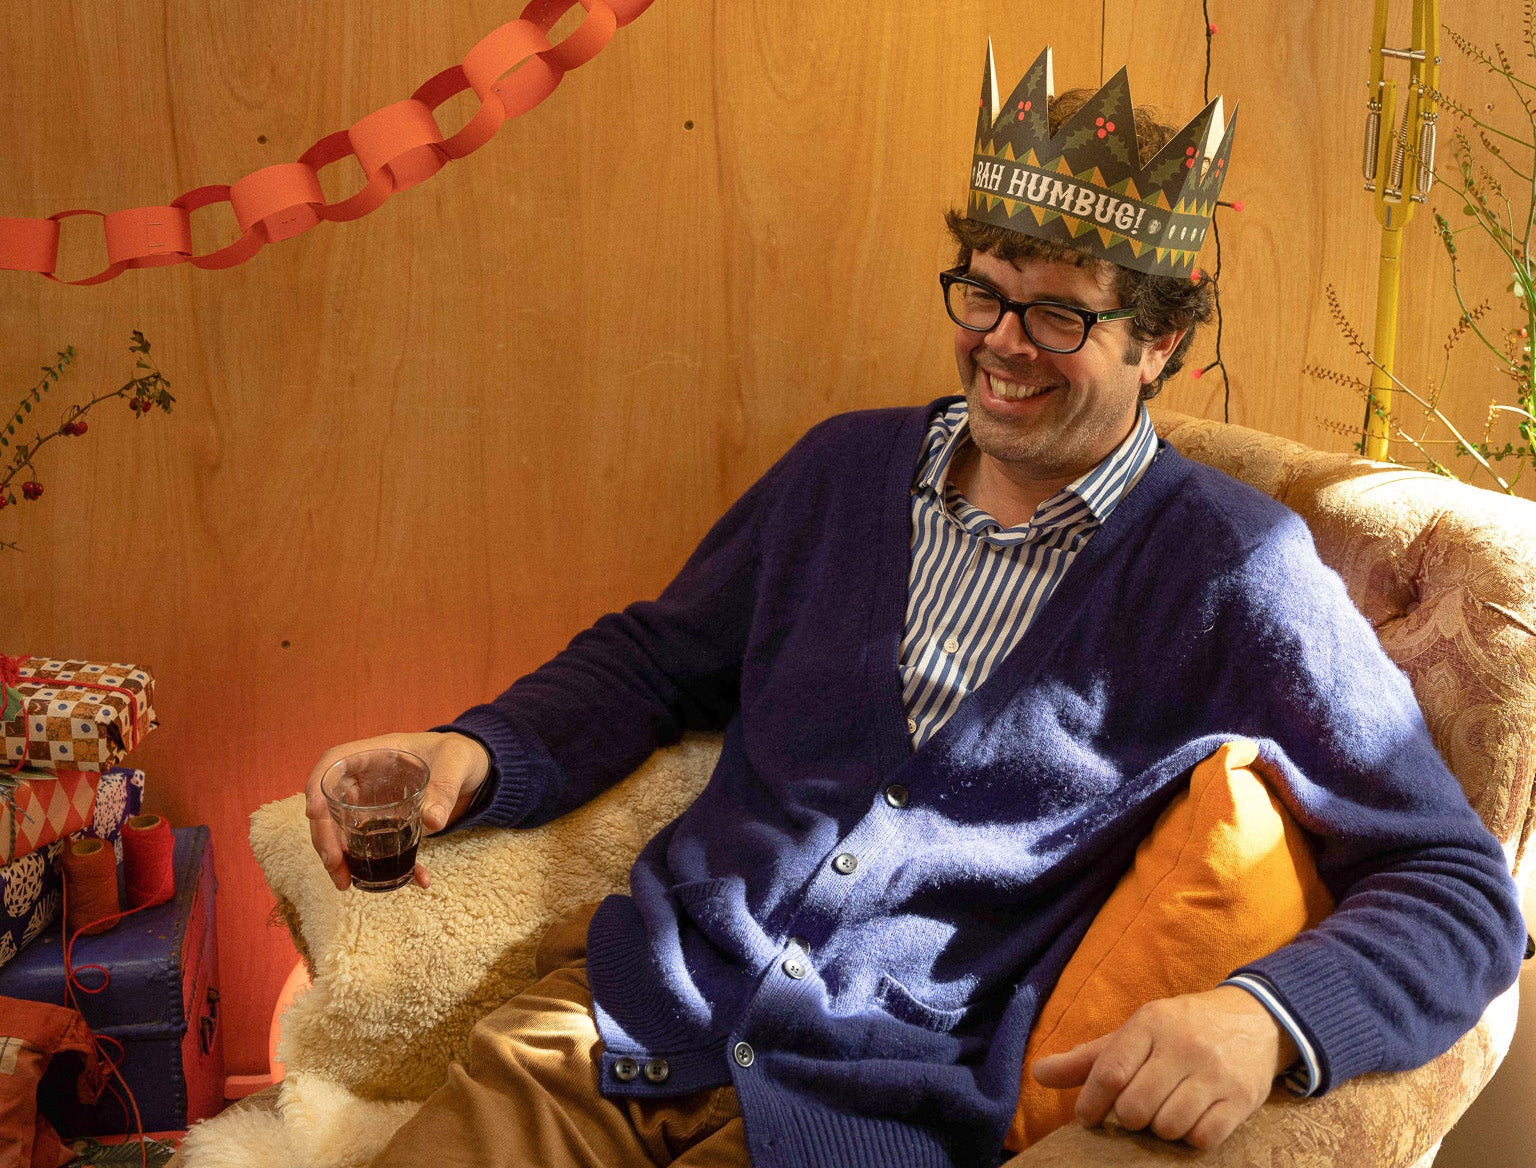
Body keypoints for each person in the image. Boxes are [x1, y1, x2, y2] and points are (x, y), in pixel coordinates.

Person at [304, 47, 1526, 1168]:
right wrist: (469, 752)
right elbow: (658, 660)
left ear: (1159, 344)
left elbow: (1462, 889)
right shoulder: (841, 472)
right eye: (983, 294)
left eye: (1062, 313)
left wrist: (1262, 1016)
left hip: (870, 1113)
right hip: (623, 1026)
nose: (1004, 344)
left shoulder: (1233, 571)